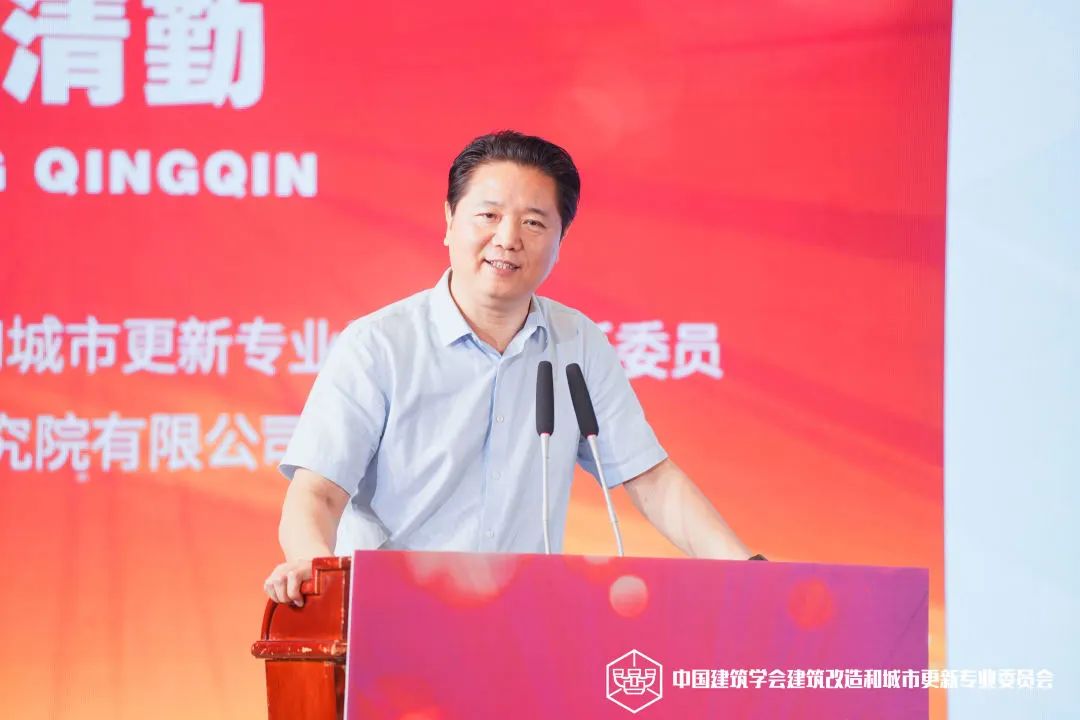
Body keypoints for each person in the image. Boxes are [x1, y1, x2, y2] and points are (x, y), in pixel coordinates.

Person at [264, 131, 755, 607]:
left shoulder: (577, 343)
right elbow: (318, 494)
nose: (507, 238)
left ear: (561, 239)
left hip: (521, 624)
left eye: (534, 223)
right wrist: (312, 565)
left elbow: (651, 479)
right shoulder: (378, 346)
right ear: (449, 219)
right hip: (391, 618)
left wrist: (750, 571)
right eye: (489, 215)